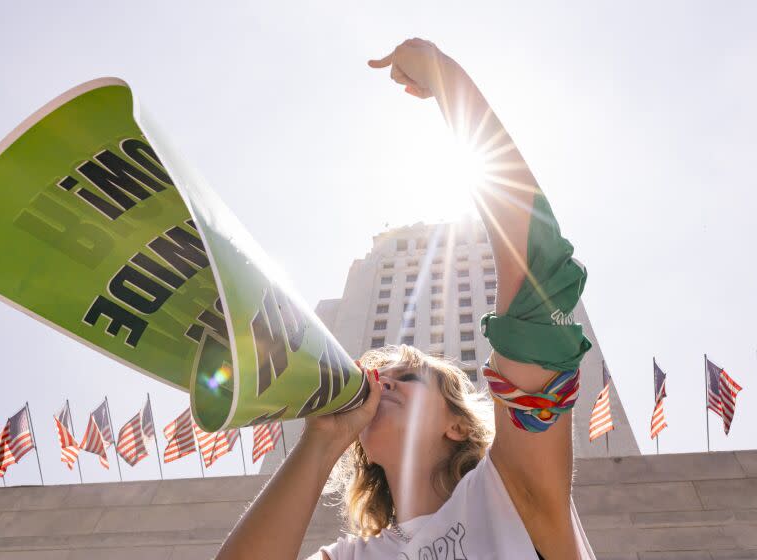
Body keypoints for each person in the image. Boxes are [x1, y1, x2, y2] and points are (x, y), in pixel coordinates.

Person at [216, 38, 596, 560]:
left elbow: (539, 273)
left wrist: (447, 81)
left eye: (409, 376)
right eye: (378, 374)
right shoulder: (348, 556)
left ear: (458, 423)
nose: (383, 380)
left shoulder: (509, 490)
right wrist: (322, 440)